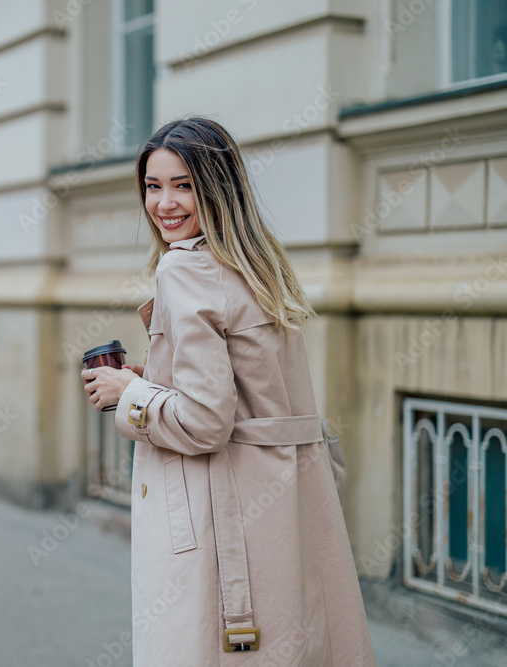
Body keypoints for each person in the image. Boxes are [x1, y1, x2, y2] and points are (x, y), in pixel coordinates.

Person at [81, 117, 377, 665]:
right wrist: (152, 378)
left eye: (184, 185)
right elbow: (248, 388)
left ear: (217, 187)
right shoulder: (257, 263)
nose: (164, 203)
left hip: (222, 510)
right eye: (153, 186)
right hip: (283, 504)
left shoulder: (184, 270)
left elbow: (204, 423)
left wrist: (131, 393)